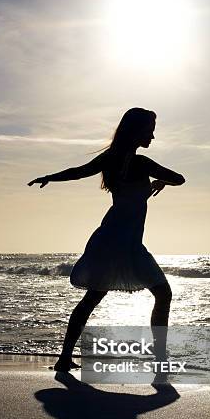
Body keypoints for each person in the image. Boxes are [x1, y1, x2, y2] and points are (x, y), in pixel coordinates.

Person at [28, 108, 185, 372]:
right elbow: (180, 178)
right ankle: (159, 360)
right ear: (136, 131)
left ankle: (64, 357)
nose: (153, 136)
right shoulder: (142, 163)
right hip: (125, 243)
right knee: (162, 294)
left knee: (93, 298)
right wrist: (162, 182)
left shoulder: (111, 159)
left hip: (111, 238)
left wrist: (50, 178)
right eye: (150, 130)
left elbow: (78, 171)